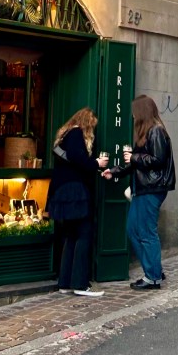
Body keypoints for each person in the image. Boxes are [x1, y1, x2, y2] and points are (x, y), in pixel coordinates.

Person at [103, 95, 175, 291]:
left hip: (152, 189)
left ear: (142, 112)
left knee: (146, 232)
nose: (133, 116)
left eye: (135, 112)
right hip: (143, 189)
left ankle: (152, 277)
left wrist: (134, 157)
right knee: (133, 230)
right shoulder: (147, 133)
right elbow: (136, 164)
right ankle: (154, 270)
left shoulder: (156, 132)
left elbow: (157, 160)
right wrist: (114, 171)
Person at [46, 108, 109, 297]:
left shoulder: (65, 135)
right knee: (84, 233)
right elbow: (77, 158)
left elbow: (70, 160)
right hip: (74, 192)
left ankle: (65, 282)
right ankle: (80, 284)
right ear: (87, 123)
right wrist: (96, 164)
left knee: (72, 235)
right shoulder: (76, 134)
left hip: (63, 191)